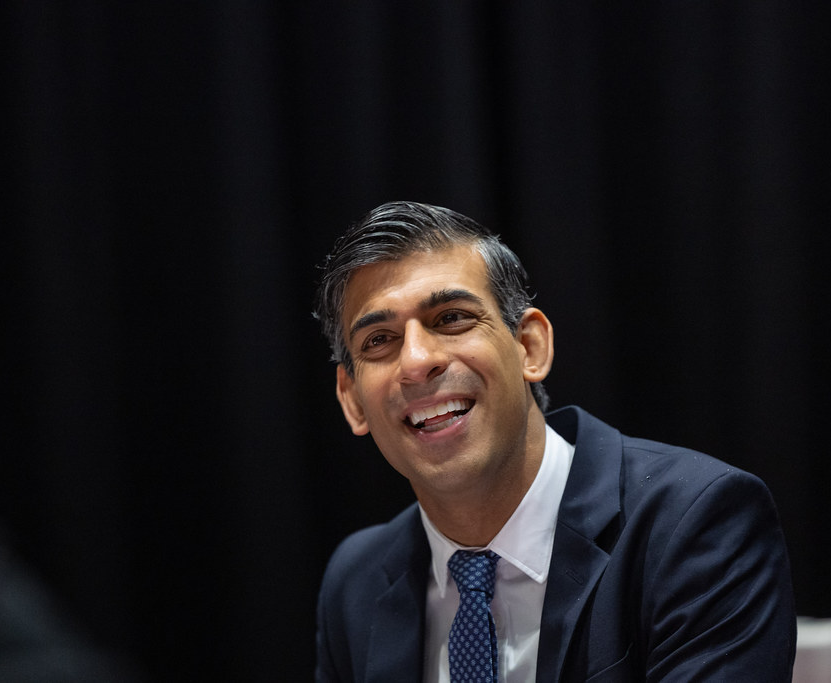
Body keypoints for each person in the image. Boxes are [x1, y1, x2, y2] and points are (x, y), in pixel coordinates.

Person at [313, 201, 796, 682]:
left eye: (451, 318)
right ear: (352, 399)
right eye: (379, 340)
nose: (417, 360)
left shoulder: (695, 523)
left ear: (529, 347)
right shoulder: (355, 580)